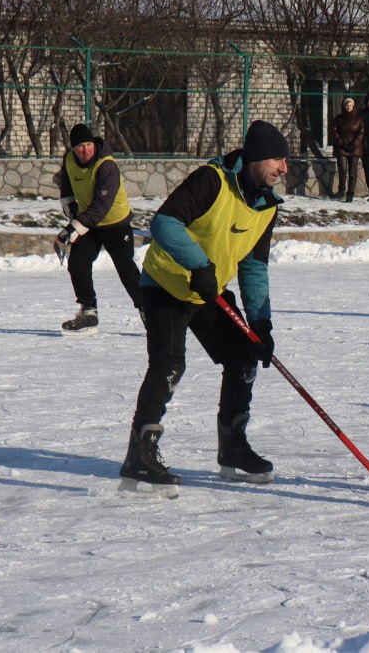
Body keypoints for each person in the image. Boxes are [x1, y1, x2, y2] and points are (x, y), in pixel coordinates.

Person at [118, 120, 288, 493]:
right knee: (169, 364)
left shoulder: (266, 206)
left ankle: (233, 447)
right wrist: (199, 264)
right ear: (257, 157)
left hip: (207, 291)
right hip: (165, 285)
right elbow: (163, 224)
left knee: (244, 354)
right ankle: (139, 456)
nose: (284, 168)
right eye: (277, 159)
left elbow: (254, 266)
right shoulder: (212, 180)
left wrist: (261, 323)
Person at [54, 123, 142, 334]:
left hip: (115, 223)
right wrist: (68, 202)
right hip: (90, 224)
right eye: (80, 147)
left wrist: (74, 226)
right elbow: (65, 181)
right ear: (73, 149)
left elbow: (101, 206)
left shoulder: (106, 165)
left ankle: (149, 311)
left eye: (88, 145)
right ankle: (88, 311)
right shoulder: (69, 160)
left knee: (126, 269)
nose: (85, 150)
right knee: (77, 263)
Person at [331, 96, 363, 202]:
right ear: (344, 106)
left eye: (350, 105)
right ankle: (341, 191)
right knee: (343, 170)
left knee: (352, 172)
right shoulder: (338, 118)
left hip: (354, 148)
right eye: (347, 105)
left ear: (353, 106)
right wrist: (342, 144)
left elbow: (361, 132)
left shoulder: (358, 119)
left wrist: (354, 144)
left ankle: (351, 193)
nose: (348, 107)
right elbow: (334, 132)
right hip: (342, 148)